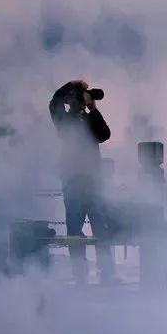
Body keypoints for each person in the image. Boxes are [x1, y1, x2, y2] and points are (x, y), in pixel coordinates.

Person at [48, 79, 116, 285]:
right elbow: (54, 103)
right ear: (70, 100)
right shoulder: (64, 120)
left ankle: (106, 273)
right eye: (77, 97)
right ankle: (80, 275)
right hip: (72, 180)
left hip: (93, 180)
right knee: (74, 231)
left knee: (101, 228)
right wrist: (71, 84)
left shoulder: (89, 119)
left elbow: (105, 134)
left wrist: (93, 108)